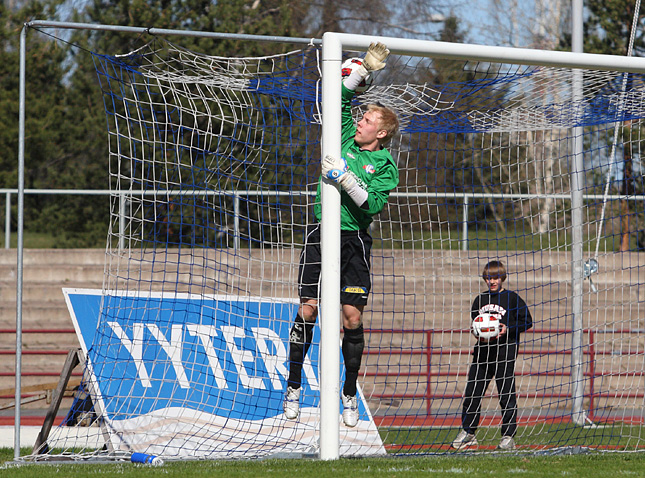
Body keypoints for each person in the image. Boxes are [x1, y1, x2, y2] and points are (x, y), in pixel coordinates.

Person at [283, 42, 400, 428]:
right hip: (321, 231)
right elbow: (335, 100)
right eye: (362, 115)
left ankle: (349, 394)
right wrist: (362, 70)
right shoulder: (345, 136)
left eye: (367, 118)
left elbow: (370, 205)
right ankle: (294, 386)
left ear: (380, 132)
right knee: (308, 309)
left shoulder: (384, 164)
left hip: (354, 240)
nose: (361, 118)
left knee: (351, 317)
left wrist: (345, 178)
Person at [451, 260, 533, 450]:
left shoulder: (512, 298)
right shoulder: (480, 300)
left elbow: (527, 321)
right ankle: (468, 432)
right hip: (482, 353)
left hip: (505, 352)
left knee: (506, 394)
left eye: (495, 277)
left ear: (502, 278)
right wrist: (477, 331)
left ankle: (508, 436)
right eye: (488, 278)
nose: (492, 281)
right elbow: (475, 323)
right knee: (473, 393)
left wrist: (508, 329)